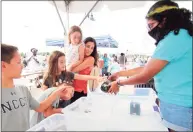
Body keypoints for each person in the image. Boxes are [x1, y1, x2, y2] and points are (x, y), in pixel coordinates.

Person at [108, 0, 192, 131]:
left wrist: (118, 83)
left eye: (151, 25)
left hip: (180, 106)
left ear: (164, 20)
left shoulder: (173, 38)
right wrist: (120, 73)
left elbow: (145, 76)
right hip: (179, 105)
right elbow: (149, 68)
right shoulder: (182, 36)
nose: (150, 30)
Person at [1, 44, 72, 131]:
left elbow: (40, 107)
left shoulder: (23, 90)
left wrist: (57, 92)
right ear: (3, 66)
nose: (22, 66)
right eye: (18, 62)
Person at [41, 50, 105, 107]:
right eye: (61, 62)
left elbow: (82, 77)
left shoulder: (67, 74)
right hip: (54, 109)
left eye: (64, 62)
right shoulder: (48, 77)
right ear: (53, 63)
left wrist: (96, 78)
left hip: (66, 107)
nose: (64, 64)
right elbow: (44, 96)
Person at [70, 37, 99, 103]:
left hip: (79, 91)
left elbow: (73, 70)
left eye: (92, 48)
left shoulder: (90, 59)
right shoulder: (79, 57)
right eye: (88, 46)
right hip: (71, 90)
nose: (89, 50)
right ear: (83, 46)